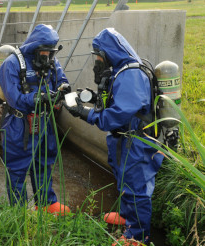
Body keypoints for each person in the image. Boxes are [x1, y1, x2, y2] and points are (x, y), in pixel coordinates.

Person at [63, 28, 164, 244]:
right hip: (123, 141)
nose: (97, 60)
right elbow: (111, 102)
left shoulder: (131, 74)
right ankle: (127, 217)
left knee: (136, 190)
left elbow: (115, 117)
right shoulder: (120, 71)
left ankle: (137, 237)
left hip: (136, 142)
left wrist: (84, 113)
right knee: (124, 181)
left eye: (99, 55)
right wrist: (87, 98)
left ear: (108, 52)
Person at [0, 24, 71, 215]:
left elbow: (61, 80)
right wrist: (39, 97)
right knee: (18, 167)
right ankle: (19, 212)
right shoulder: (12, 65)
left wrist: (62, 90)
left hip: (44, 121)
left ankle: (46, 202)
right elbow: (15, 99)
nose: (48, 56)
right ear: (35, 48)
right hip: (19, 124)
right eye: (45, 52)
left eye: (51, 52)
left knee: (44, 161)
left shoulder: (51, 60)